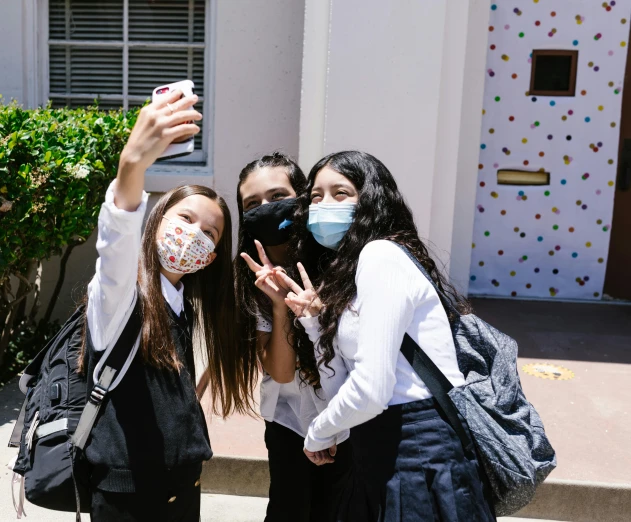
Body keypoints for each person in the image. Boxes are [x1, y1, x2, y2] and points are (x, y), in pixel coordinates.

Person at [279, 151, 495, 521]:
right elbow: (345, 388)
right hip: (375, 454)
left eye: (340, 193)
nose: (324, 204)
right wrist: (314, 325)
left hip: (417, 455)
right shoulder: (349, 275)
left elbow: (372, 390)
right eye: (316, 196)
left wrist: (317, 432)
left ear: (370, 200)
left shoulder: (381, 257)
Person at [82, 88, 256, 521]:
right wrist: (132, 164)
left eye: (209, 233)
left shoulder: (188, 307)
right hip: (128, 497)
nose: (195, 234)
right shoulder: (120, 295)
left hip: (182, 487)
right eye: (185, 219)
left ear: (211, 257)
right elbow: (115, 243)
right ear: (156, 221)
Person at [235, 152, 352, 522]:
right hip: (290, 424)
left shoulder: (341, 259)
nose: (265, 209)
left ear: (301, 196)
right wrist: (280, 305)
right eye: (252, 204)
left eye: (276, 197)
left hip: (351, 417)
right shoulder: (248, 279)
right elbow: (281, 374)